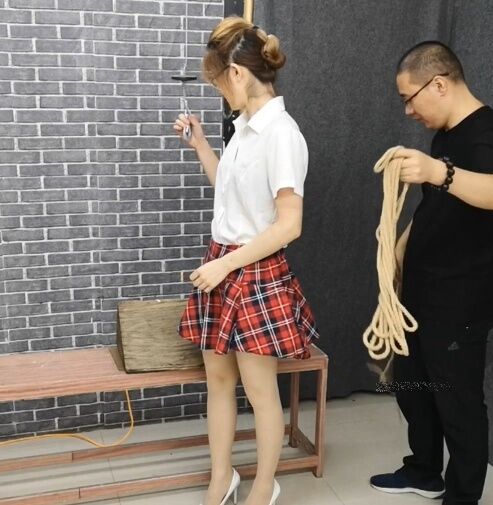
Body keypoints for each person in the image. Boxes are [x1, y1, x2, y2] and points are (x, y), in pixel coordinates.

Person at [174, 16, 319, 505]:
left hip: (253, 271)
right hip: (223, 263)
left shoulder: (282, 134)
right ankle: (222, 478)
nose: (219, 93)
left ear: (236, 73)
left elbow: (289, 225)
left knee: (259, 391)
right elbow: (230, 195)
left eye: (218, 83)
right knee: (218, 381)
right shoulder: (244, 131)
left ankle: (263, 486)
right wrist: (200, 144)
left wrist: (225, 266)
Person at [369, 41, 493, 505]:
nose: (408, 111)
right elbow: (436, 205)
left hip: (461, 299)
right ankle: (424, 470)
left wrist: (439, 172)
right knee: (414, 388)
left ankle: (462, 496)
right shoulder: (445, 136)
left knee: (458, 402)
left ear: (438, 84)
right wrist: (400, 245)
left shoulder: (491, 133)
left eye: (408, 98)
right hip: (422, 291)